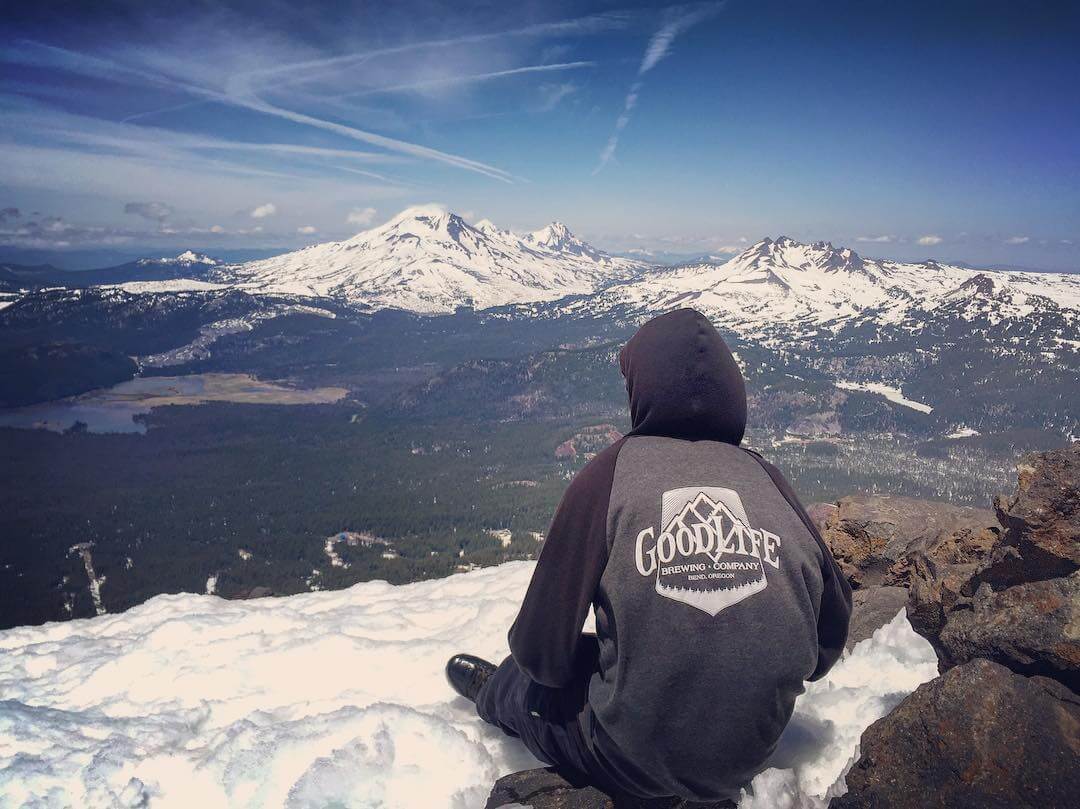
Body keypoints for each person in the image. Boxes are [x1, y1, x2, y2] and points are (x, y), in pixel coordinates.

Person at [445, 308, 852, 802]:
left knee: (529, 684)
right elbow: (828, 640)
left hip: (627, 759)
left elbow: (541, 655)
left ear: (643, 389)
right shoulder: (770, 480)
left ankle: (492, 696)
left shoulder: (609, 474)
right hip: (751, 754)